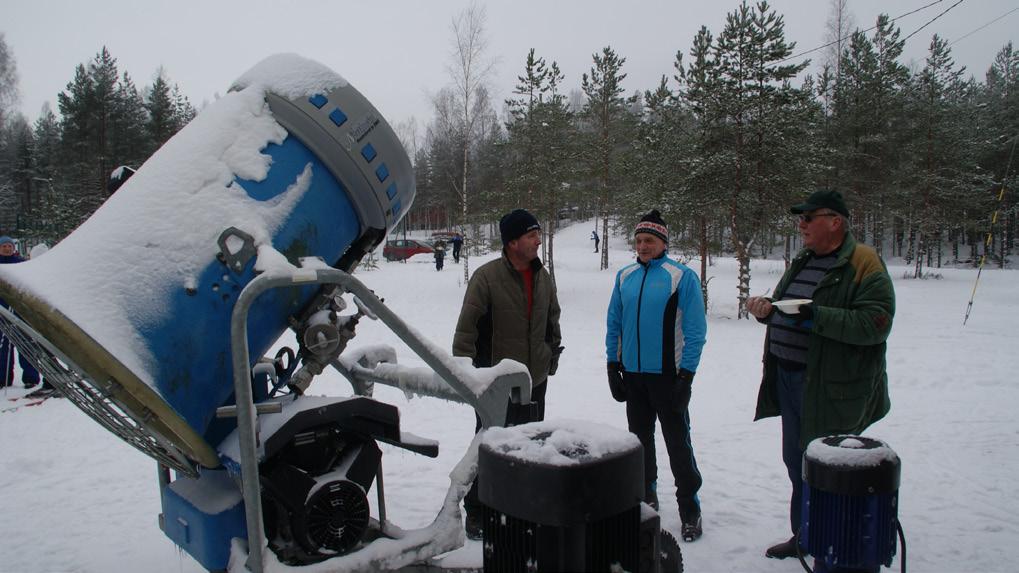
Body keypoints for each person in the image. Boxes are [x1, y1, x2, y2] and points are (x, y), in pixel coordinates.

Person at [746, 190, 894, 561]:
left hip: (833, 387)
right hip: (789, 378)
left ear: (835, 222)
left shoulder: (863, 262)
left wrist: (816, 316)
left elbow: (876, 323)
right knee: (797, 462)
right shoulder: (804, 259)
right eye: (801, 218)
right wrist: (766, 310)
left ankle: (838, 543)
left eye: (809, 218)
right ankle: (806, 535)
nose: (802, 225)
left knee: (832, 466)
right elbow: (784, 303)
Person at [452, 208, 563, 539]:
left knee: (530, 443)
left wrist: (550, 356)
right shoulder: (486, 277)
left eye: (538, 234)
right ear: (513, 242)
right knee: (488, 444)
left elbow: (553, 321)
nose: (538, 240)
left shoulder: (543, 278)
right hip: (495, 381)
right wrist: (466, 374)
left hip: (534, 379)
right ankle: (476, 508)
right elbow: (466, 331)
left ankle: (521, 506)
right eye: (531, 235)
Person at [605, 209, 707, 542]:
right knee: (640, 441)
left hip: (668, 378)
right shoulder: (625, 276)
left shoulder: (682, 277)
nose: (643, 246)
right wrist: (612, 365)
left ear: (663, 242)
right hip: (633, 376)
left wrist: (686, 377)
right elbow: (614, 324)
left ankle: (689, 507)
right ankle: (647, 496)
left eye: (649, 240)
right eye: (638, 240)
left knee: (678, 443)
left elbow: (695, 332)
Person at [0, 237, 42, 390]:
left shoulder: (20, 263)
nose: (6, 248)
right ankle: (3, 378)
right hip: (2, 312)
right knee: (3, 348)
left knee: (25, 345)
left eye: (9, 246)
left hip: (19, 313)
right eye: (3, 246)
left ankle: (31, 378)